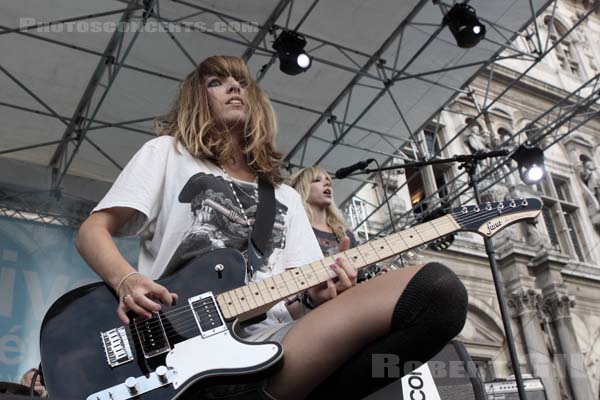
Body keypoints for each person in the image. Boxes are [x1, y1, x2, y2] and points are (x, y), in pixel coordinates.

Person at [76, 55, 468, 400]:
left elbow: (296, 305)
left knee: (438, 293)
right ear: (197, 99)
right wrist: (126, 280)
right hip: (178, 346)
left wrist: (317, 298)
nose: (233, 86)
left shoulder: (285, 197)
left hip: (272, 347)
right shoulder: (168, 153)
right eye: (216, 82)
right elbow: (93, 231)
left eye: (241, 82)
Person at [287, 166, 384, 281]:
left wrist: (377, 280)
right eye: (317, 180)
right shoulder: (295, 229)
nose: (327, 183)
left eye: (328, 180)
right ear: (303, 188)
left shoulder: (344, 233)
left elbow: (359, 279)